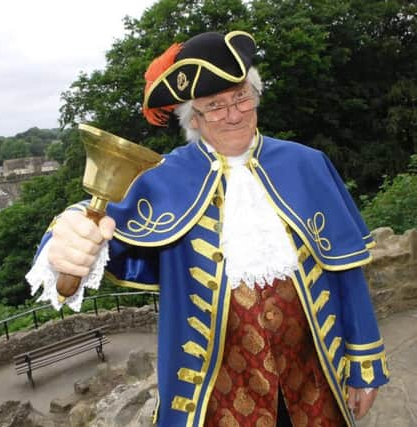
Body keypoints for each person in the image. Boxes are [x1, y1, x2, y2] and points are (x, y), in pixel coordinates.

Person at [26, 31, 389, 427]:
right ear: (193, 119)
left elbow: (346, 271)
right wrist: (67, 234)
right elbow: (93, 218)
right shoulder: (162, 178)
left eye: (241, 97)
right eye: (214, 106)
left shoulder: (308, 164)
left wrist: (363, 366)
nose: (233, 114)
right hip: (215, 396)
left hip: (316, 381)